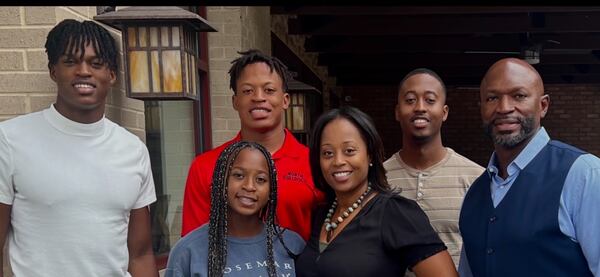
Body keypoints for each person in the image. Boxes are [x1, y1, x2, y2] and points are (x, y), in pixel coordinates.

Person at [0, 19, 157, 276]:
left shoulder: (133, 150)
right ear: (53, 71)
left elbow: (140, 254)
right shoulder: (10, 140)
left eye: (96, 64)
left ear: (112, 75)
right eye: (70, 61)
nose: (84, 71)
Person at [458, 58, 600, 276]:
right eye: (492, 98)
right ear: (482, 108)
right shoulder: (475, 193)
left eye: (519, 96)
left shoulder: (583, 174)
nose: (504, 108)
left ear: (543, 106)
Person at [295, 106, 458, 277]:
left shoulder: (394, 212)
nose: (338, 161)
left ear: (370, 155)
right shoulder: (321, 214)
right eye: (327, 153)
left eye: (349, 151)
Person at [182, 49, 323, 241]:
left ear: (285, 100)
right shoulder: (205, 167)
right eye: (248, 91)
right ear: (235, 101)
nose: (258, 97)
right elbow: (194, 247)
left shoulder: (314, 163)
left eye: (269, 90)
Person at [383, 68, 484, 270]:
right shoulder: (378, 178)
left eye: (430, 100)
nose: (420, 107)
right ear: (397, 111)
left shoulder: (476, 178)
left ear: (444, 112)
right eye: (410, 100)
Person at [165, 141, 305, 277]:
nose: (249, 186)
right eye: (239, 175)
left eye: (261, 179)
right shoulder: (188, 251)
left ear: (271, 190)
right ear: (221, 180)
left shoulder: (292, 245)